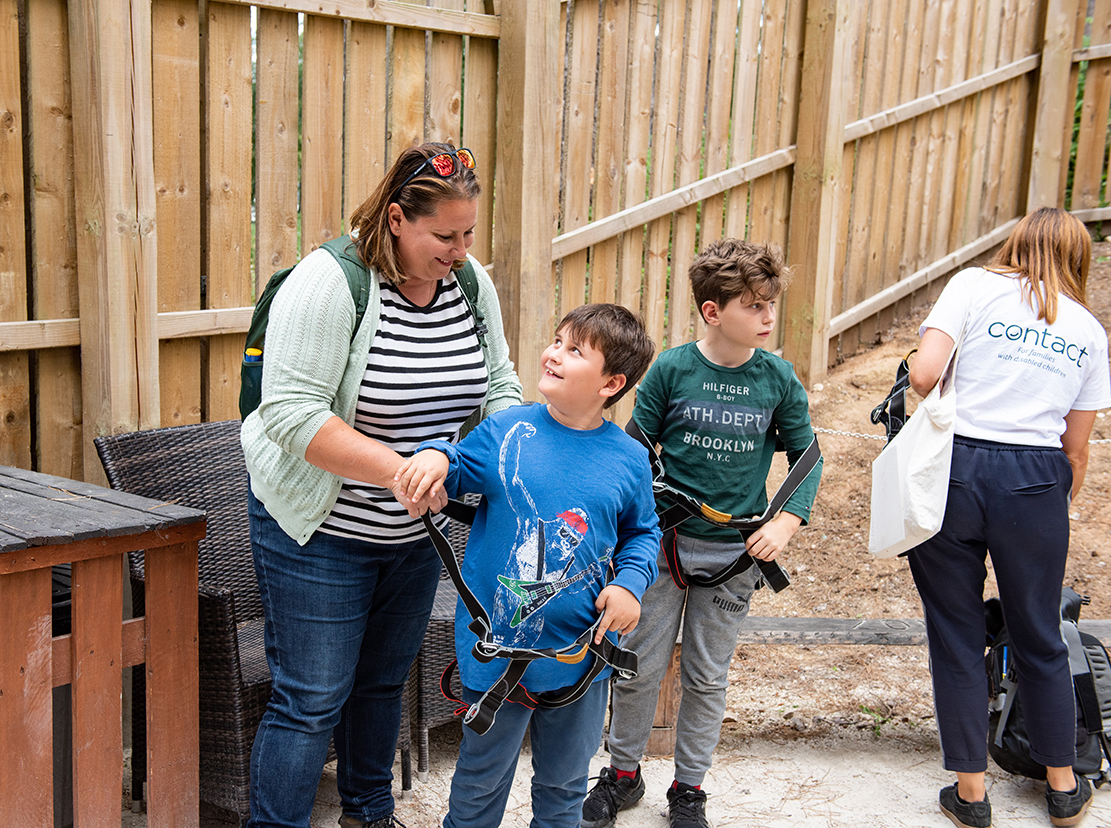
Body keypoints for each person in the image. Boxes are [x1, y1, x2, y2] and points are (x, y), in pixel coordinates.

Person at [240, 142, 523, 828]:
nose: (460, 250)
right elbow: (290, 413)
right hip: (322, 528)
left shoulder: (470, 283)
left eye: (469, 234)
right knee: (311, 699)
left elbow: (498, 385)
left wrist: (513, 447)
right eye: (444, 235)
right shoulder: (330, 282)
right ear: (397, 219)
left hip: (414, 530)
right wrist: (400, 469)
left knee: (380, 685)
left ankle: (369, 814)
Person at [582, 239, 822, 828]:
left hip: (734, 557)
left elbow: (808, 456)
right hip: (662, 549)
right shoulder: (672, 369)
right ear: (713, 312)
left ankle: (689, 789)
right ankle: (622, 775)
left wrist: (787, 519)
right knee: (636, 664)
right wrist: (622, 528)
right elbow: (636, 450)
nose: (768, 316)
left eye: (771, 305)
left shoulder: (778, 380)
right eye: (755, 306)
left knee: (707, 677)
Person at [395, 303, 662, 828]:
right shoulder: (506, 429)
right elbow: (456, 466)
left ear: (611, 383)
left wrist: (631, 585)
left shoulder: (628, 458)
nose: (554, 354)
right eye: (557, 340)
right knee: (479, 785)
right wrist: (434, 456)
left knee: (564, 789)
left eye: (574, 350)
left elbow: (641, 532)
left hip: (580, 660)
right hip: (497, 656)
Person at [904, 207, 1109, 828]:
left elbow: (925, 374)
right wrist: (1048, 506)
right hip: (1037, 480)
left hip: (955, 470)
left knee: (957, 634)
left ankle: (971, 795)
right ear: (1079, 258)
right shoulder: (1089, 330)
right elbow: (1078, 448)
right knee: (1039, 633)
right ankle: (1064, 789)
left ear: (1015, 243)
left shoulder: (972, 286)